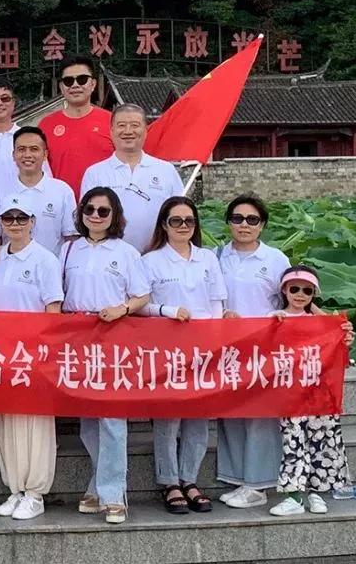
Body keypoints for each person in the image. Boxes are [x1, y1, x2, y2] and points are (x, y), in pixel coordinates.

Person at [60, 187, 150, 524]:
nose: (95, 216)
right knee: (88, 420)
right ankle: (97, 486)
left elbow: (142, 295)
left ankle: (114, 494)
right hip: (78, 338)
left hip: (113, 336)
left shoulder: (126, 252)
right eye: (90, 210)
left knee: (112, 418)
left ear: (115, 216)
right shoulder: (68, 249)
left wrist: (122, 308)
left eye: (103, 211)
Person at [140, 196, 227, 514]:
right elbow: (140, 305)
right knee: (169, 416)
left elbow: (217, 302)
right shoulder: (150, 261)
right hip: (166, 347)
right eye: (175, 220)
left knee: (198, 418)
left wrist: (215, 342)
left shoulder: (207, 258)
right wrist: (166, 310)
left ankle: (189, 479)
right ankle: (169, 481)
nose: (183, 226)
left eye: (189, 221)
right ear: (164, 225)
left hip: (203, 348)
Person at [0, 194, 63, 520]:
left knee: (35, 423)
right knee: (6, 421)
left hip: (33, 353)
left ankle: (35, 493)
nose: (14, 224)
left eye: (21, 218)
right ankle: (15, 488)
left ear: (32, 221)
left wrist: (45, 353)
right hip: (1, 354)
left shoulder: (45, 260)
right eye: (8, 218)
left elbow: (53, 309)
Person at [217, 194, 290, 510]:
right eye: (237, 218)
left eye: (252, 219)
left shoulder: (276, 259)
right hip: (226, 347)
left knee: (260, 415)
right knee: (231, 414)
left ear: (262, 225)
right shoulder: (216, 256)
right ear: (228, 223)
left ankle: (259, 484)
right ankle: (238, 478)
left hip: (264, 347)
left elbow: (294, 300)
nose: (244, 225)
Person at [269, 265, 356, 517]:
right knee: (293, 442)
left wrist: (344, 338)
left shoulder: (324, 323)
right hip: (289, 393)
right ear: (284, 290)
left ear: (313, 295)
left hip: (319, 392)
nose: (300, 294)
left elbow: (340, 355)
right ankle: (294, 497)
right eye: (294, 289)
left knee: (322, 441)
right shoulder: (273, 318)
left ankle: (318, 494)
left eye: (307, 291)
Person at [79, 103, 183, 253]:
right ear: (112, 131)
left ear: (145, 131)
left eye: (135, 125)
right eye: (121, 125)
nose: (128, 131)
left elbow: (179, 215)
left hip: (158, 255)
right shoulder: (95, 173)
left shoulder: (166, 170)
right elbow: (88, 220)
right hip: (109, 257)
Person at [0, 126, 75, 254]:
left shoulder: (62, 191)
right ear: (14, 155)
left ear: (45, 154)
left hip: (52, 265)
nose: (27, 155)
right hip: (11, 264)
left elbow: (71, 238)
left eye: (34, 149)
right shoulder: (1, 192)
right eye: (21, 149)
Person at [38, 56, 113, 193]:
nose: (75, 85)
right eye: (68, 81)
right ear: (61, 87)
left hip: (102, 204)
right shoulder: (46, 125)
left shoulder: (112, 122)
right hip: (60, 202)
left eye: (82, 79)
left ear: (93, 84)